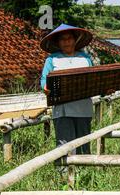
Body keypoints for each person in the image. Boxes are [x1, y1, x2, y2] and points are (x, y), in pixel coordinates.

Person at [40, 24, 94, 155]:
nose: (66, 42)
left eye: (69, 38)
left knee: (84, 145)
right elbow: (44, 80)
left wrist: (105, 90)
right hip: (62, 110)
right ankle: (64, 174)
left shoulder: (85, 58)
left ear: (75, 40)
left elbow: (94, 80)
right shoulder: (52, 59)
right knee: (64, 147)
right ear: (58, 42)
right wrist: (46, 88)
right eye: (62, 39)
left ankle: (84, 173)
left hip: (83, 109)